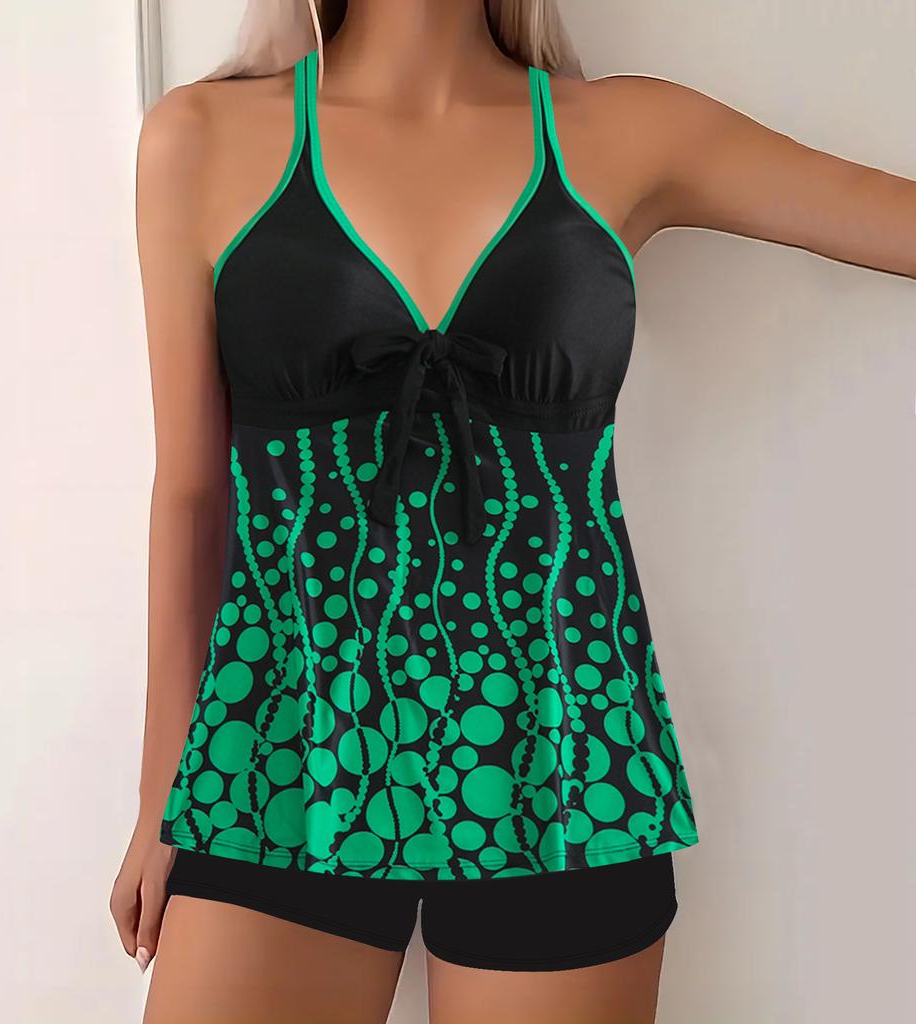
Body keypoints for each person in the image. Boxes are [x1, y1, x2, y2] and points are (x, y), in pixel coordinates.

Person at [112, 2, 915, 1022]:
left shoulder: (631, 133)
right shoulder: (201, 138)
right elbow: (192, 492)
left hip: (565, 753)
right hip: (284, 742)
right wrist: (162, 793)